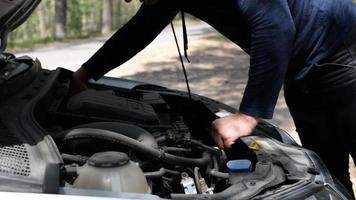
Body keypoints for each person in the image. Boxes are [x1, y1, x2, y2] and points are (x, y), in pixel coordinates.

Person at [70, 0, 356, 197]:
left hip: (342, 51)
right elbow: (139, 29)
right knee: (329, 172)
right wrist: (85, 74)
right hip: (303, 68)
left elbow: (275, 25)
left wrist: (247, 116)